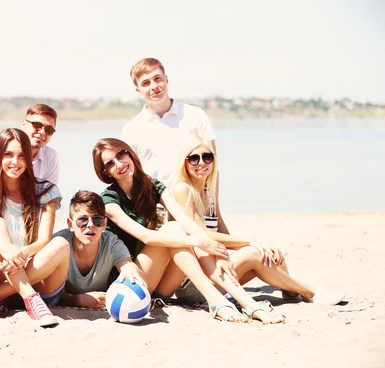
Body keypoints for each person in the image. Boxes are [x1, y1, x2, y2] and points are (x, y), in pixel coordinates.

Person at [93, 138, 285, 324]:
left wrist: (216, 251)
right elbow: (146, 236)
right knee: (175, 230)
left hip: (159, 283)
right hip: (129, 283)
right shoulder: (109, 200)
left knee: (183, 229)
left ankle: (244, 302)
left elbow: (185, 220)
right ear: (106, 173)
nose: (119, 164)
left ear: (130, 153)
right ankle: (219, 301)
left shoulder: (152, 186)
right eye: (110, 163)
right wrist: (197, 241)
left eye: (121, 155)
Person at [172, 135, 346, 306]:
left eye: (207, 157)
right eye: (194, 159)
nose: (201, 163)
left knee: (271, 255)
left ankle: (291, 291)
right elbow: (204, 235)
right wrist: (251, 243)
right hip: (195, 285)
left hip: (215, 269)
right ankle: (310, 292)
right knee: (256, 253)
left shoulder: (209, 187)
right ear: (185, 163)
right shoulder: (183, 190)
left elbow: (221, 231)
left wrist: (249, 248)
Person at [0, 128, 68, 327]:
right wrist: (5, 248)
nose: (16, 161)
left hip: (39, 278)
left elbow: (43, 240)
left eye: (22, 155)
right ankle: (30, 298)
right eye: (8, 155)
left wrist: (20, 254)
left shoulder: (46, 191)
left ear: (29, 158)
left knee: (61, 244)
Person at [120, 57, 230, 233]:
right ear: (138, 90)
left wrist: (214, 209)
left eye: (157, 79)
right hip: (157, 213)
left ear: (166, 79)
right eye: (146, 83)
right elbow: (130, 181)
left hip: (196, 207)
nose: (154, 86)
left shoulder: (195, 116)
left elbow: (212, 166)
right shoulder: (131, 130)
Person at [54, 190, 143, 309]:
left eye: (97, 220)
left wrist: (130, 271)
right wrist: (78, 300)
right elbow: (49, 294)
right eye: (83, 220)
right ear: (70, 224)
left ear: (104, 223)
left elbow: (127, 264)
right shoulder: (58, 243)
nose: (90, 225)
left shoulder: (111, 243)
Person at [0, 104, 59, 185]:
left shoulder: (50, 156)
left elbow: (50, 194)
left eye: (49, 129)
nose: (42, 132)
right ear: (23, 124)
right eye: (37, 125)